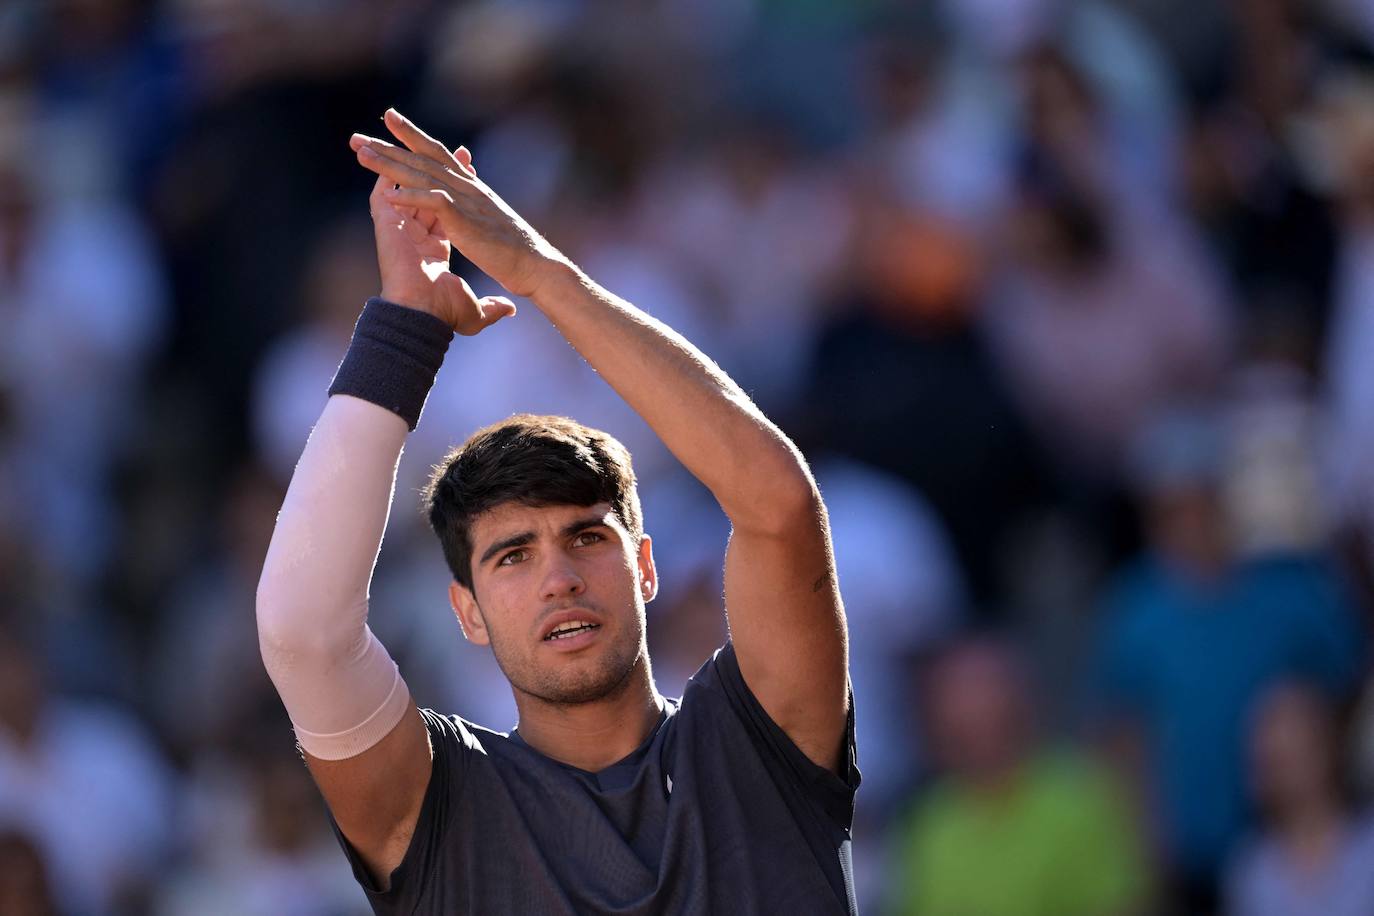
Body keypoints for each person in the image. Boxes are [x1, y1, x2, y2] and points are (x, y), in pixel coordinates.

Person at [256, 109, 858, 915]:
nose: (560, 578)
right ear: (466, 613)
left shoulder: (760, 745)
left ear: (644, 565)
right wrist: (404, 324)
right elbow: (303, 633)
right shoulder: (436, 807)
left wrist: (539, 275)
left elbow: (778, 504)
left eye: (586, 536)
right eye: (512, 555)